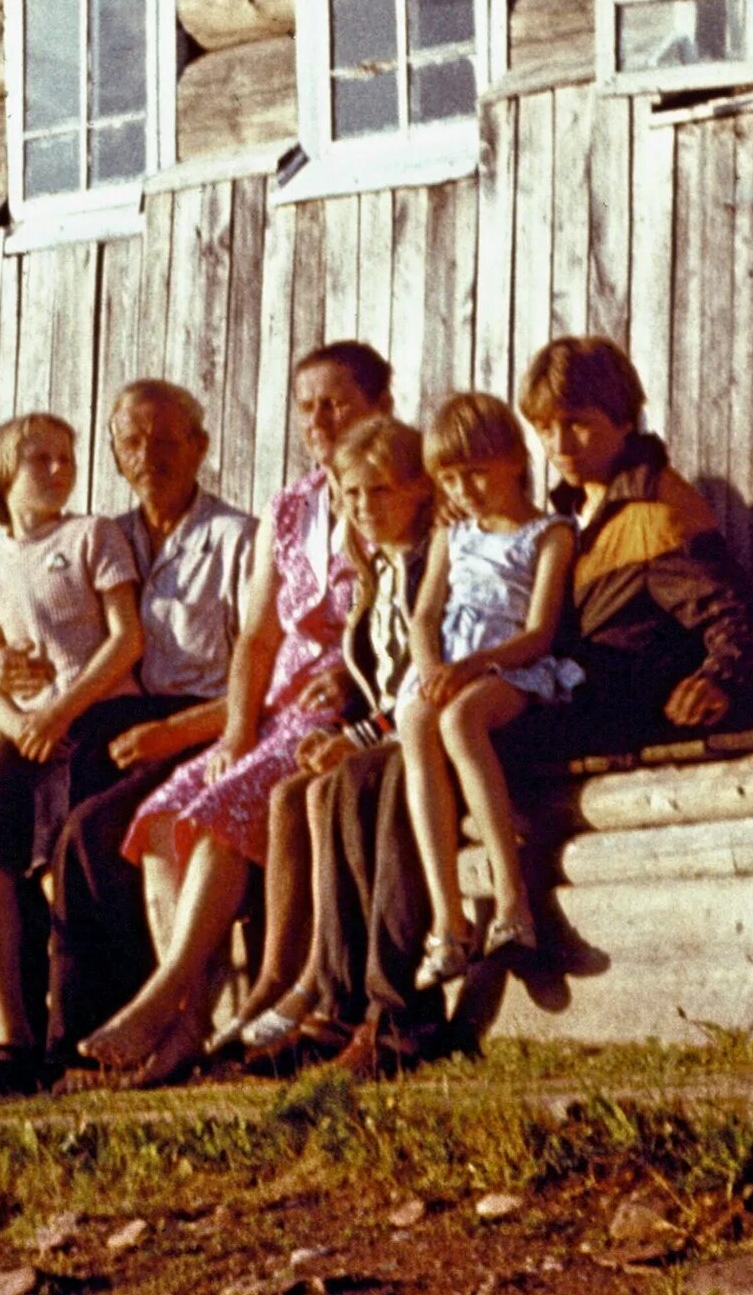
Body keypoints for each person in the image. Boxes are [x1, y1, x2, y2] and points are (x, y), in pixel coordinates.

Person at [71, 340, 391, 1084]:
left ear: (378, 403)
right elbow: (255, 634)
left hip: (338, 705)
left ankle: (162, 996)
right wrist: (238, 728)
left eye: (335, 401)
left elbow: (401, 604)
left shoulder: (392, 484)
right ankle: (186, 1025)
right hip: (276, 706)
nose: (317, 418)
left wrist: (353, 677)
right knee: (158, 820)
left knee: (218, 811)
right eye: (306, 404)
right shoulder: (291, 508)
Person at [0, 381, 259, 1075]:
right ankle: (7, 1039)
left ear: (199, 447)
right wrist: (11, 667)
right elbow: (50, 633)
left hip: (199, 731)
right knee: (2, 844)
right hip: (111, 729)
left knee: (86, 834)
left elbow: (263, 681)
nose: (148, 455)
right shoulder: (104, 537)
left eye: (166, 440)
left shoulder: (237, 540)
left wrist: (179, 732)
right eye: (131, 441)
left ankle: (88, 1037)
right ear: (114, 454)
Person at [226, 414, 438, 1062]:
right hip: (394, 724)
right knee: (301, 791)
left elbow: (425, 675)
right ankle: (326, 992)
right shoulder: (376, 575)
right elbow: (383, 680)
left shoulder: (431, 562)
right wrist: (354, 729)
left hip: (434, 729)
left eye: (379, 492)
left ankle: (388, 1009)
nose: (363, 509)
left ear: (419, 492)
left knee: (357, 780)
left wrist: (364, 737)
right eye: (350, 496)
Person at [0, 412, 146, 1099]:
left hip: (95, 712)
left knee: (56, 863)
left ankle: (69, 1026)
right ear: (6, 470)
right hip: (29, 728)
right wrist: (20, 721)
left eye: (67, 458)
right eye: (42, 459)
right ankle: (10, 1037)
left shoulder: (92, 536)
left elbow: (125, 640)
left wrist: (60, 711)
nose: (60, 470)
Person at [402, 392, 582, 987]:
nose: (465, 491)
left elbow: (538, 633)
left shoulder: (549, 534)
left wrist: (475, 666)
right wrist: (430, 668)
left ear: (513, 458)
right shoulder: (453, 536)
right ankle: (447, 919)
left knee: (458, 720)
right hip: (449, 667)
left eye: (476, 472)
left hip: (510, 668)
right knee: (416, 720)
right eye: (450, 480)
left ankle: (512, 903)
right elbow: (425, 615)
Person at [518, 336, 753, 743]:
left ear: (624, 418)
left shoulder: (653, 507)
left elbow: (730, 613)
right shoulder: (566, 514)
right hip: (565, 699)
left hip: (619, 713)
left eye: (577, 422)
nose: (560, 446)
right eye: (544, 428)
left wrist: (718, 679)